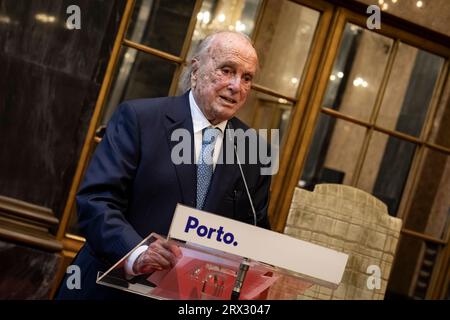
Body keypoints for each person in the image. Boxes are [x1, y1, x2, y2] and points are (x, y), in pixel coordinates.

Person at [56, 31, 272, 299]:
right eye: (227, 70)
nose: (236, 86)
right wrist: (138, 254)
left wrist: (263, 273)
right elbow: (96, 201)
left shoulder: (254, 150)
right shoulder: (139, 119)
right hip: (108, 289)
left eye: (247, 78)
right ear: (196, 71)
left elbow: (254, 232)